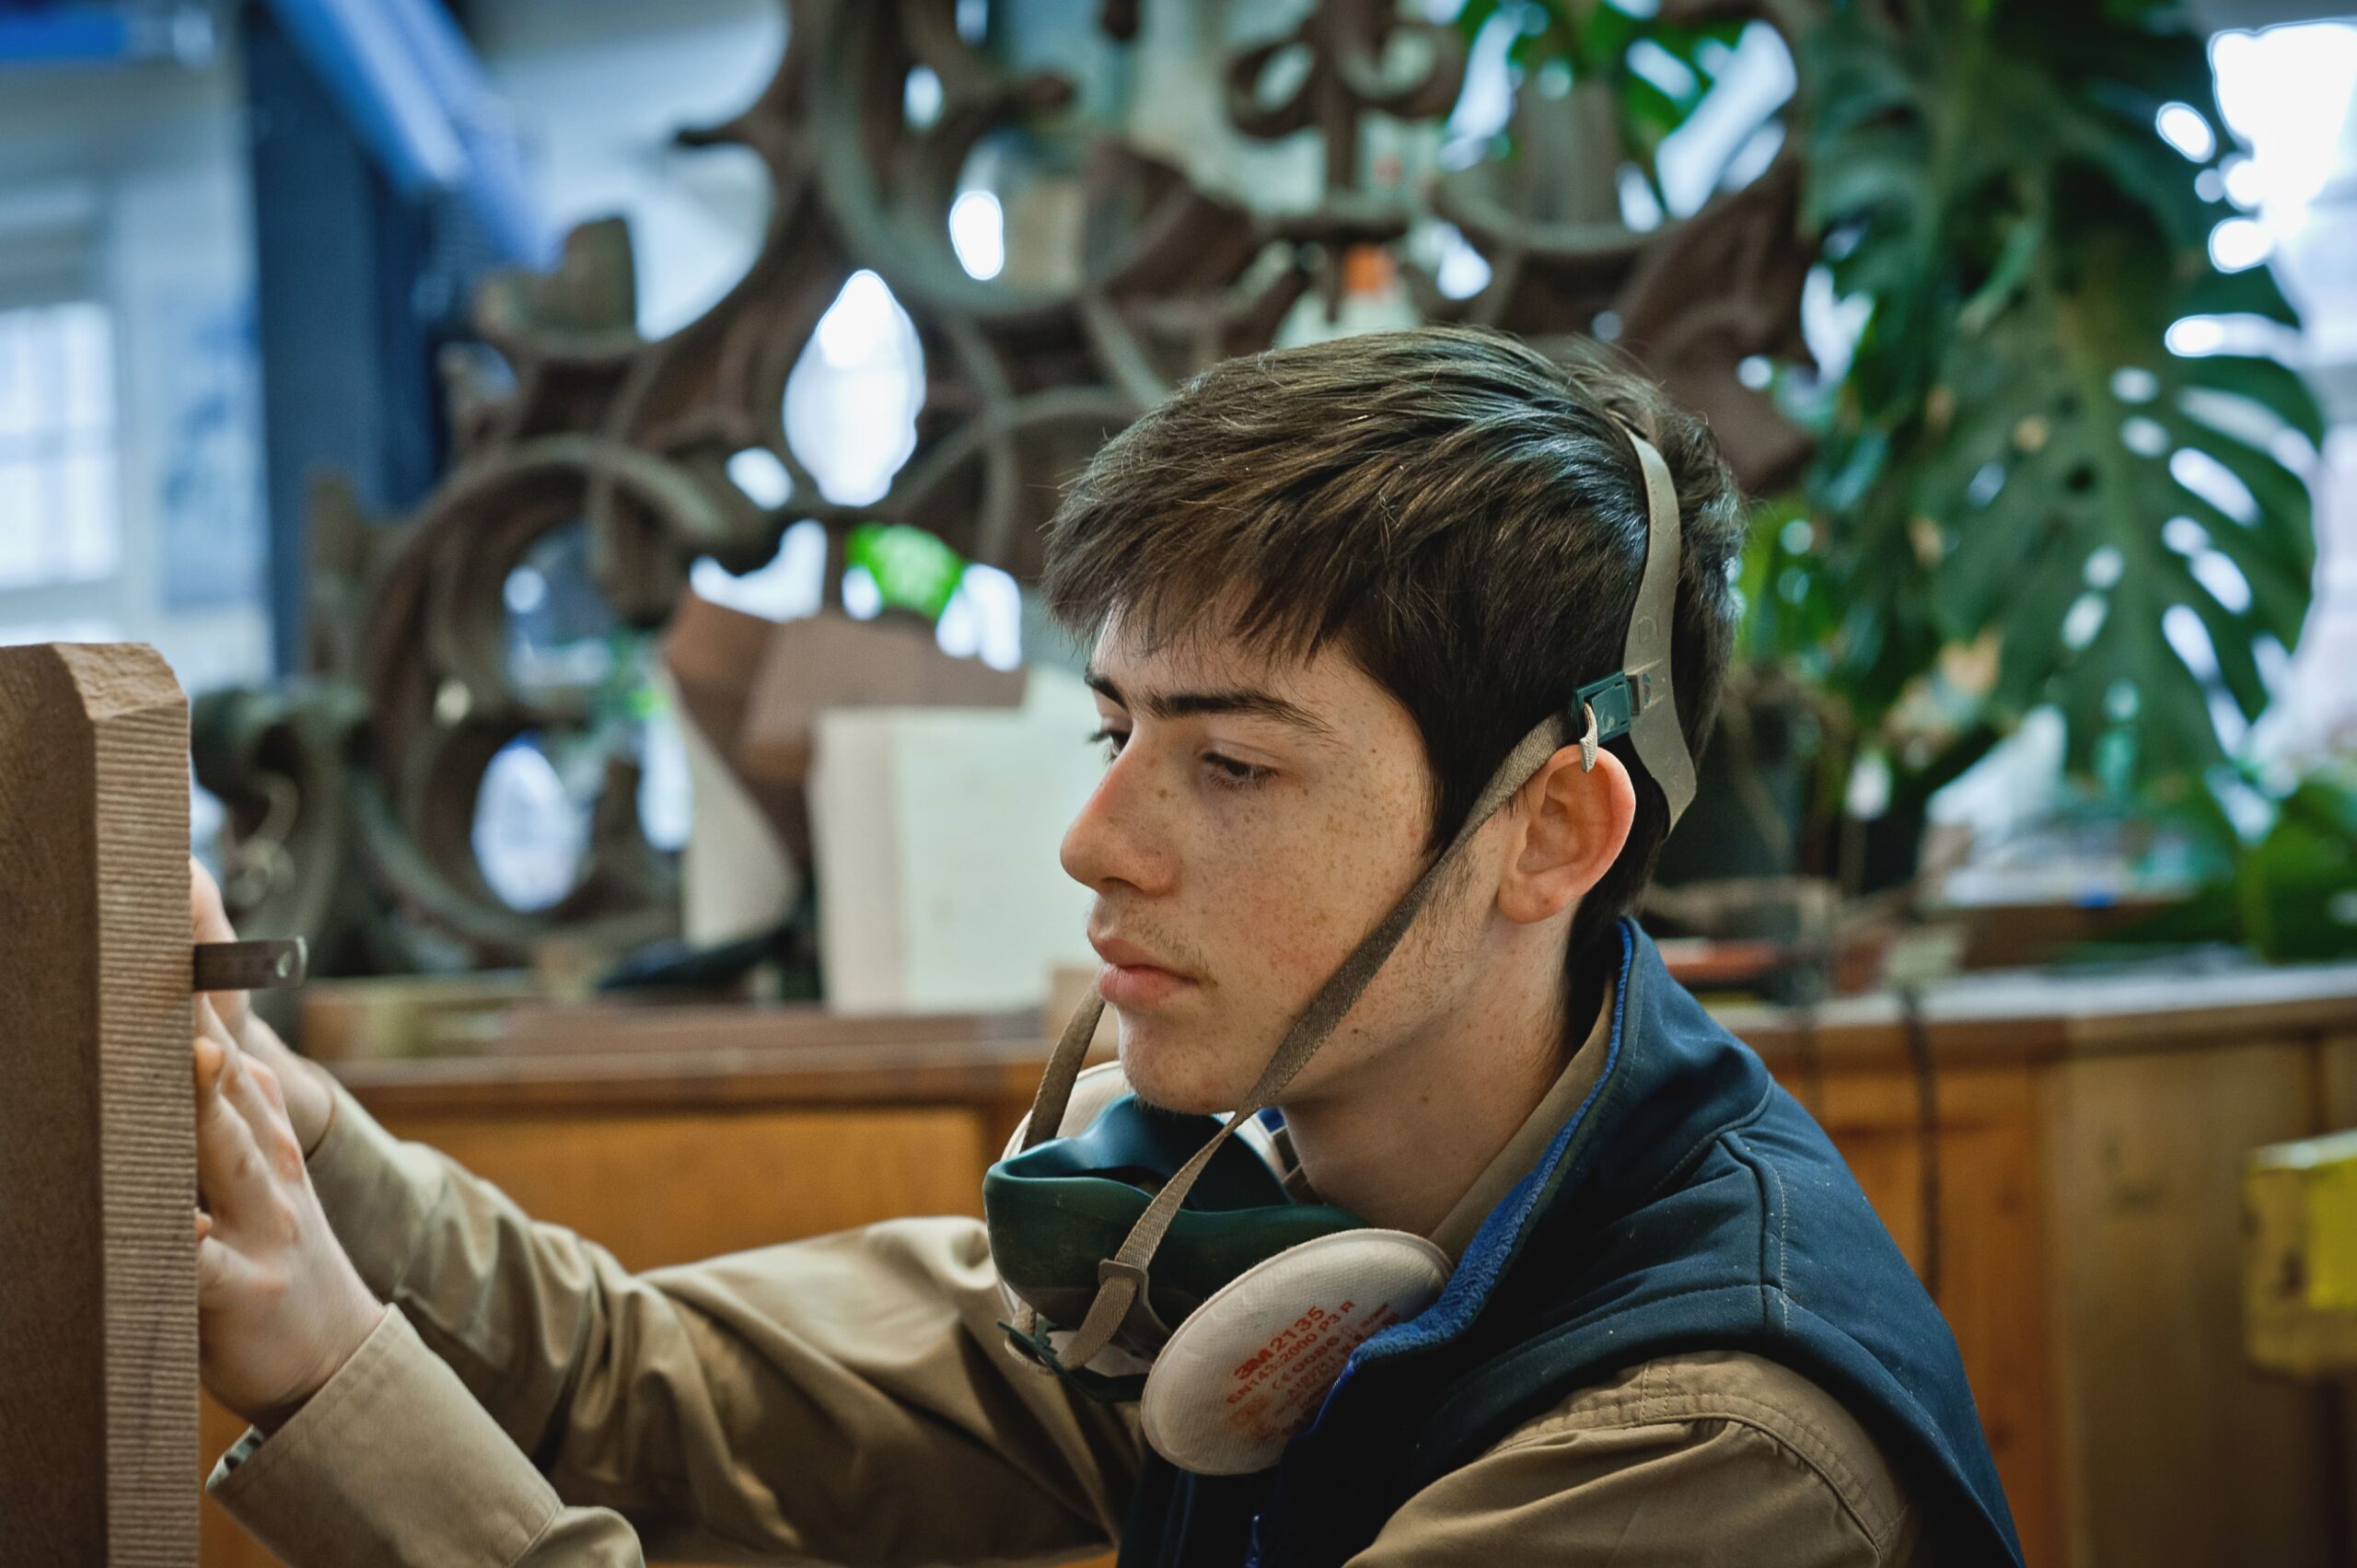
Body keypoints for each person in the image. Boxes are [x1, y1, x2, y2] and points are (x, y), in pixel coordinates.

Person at [190, 326, 2022, 1566]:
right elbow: (633, 1388)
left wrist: (335, 1388)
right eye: (1113, 732)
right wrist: (281, 1124)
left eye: (1229, 762)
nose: (1095, 840)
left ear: (1549, 831)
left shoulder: (1707, 1451)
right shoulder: (1256, 1225)